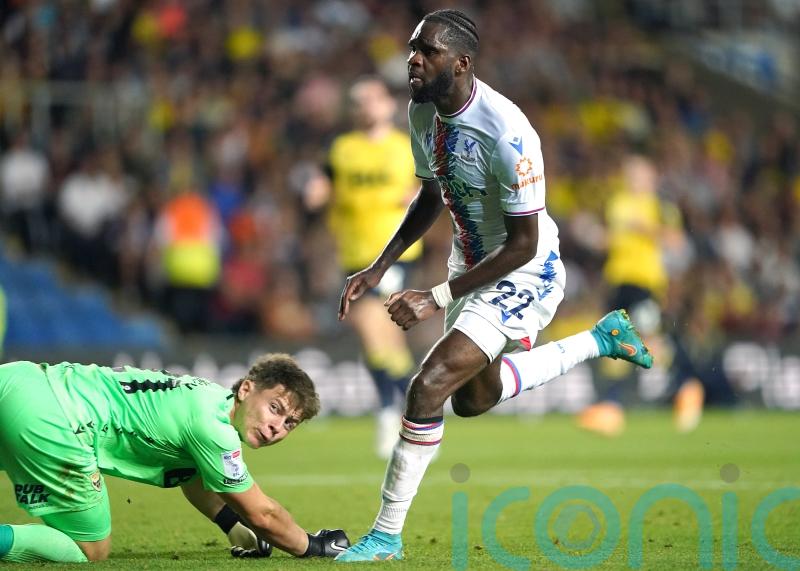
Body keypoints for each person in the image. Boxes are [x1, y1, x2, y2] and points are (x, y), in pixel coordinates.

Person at [335, 9, 652, 562]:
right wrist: (380, 266)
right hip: (470, 262)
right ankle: (601, 340)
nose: (413, 58)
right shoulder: (420, 112)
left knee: (427, 384)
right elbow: (431, 194)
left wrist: (435, 297)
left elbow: (524, 244)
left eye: (426, 50)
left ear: (460, 62)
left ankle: (385, 535)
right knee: (471, 400)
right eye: (412, 47)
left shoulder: (508, 131)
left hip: (526, 269)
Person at [0, 354, 349, 562]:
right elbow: (263, 513)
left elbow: (191, 473)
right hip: (54, 419)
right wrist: (313, 546)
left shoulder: (210, 397)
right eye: (275, 408)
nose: (277, 427)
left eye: (290, 422)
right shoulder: (214, 430)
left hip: (20, 378)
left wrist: (231, 525)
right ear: (246, 389)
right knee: (90, 548)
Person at [319, 76, 422, 458]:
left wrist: (416, 194)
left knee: (370, 326)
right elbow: (326, 182)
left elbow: (433, 185)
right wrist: (317, 191)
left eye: (371, 99)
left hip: (395, 253)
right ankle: (417, 408)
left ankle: (389, 413)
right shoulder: (343, 149)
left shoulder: (406, 148)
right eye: (357, 100)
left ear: (387, 105)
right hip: (354, 254)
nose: (365, 106)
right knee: (384, 341)